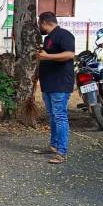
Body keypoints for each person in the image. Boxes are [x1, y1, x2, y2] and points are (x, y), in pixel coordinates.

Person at [35, 11, 76, 164]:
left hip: (60, 83)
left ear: (45, 22)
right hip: (48, 84)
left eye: (39, 24)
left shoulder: (64, 35)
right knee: (52, 116)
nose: (39, 27)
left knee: (60, 116)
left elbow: (70, 54)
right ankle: (53, 146)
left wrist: (47, 56)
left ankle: (62, 152)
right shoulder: (48, 38)